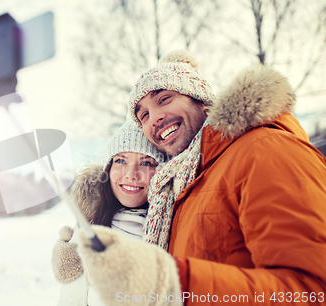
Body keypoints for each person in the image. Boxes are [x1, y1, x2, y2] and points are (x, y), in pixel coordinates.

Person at [76, 50, 326, 306]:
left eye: (164, 99)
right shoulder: (183, 185)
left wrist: (175, 282)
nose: (155, 119)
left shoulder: (265, 150)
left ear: (201, 99)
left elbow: (312, 291)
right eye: (144, 116)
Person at [53, 119, 164, 306]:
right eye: (121, 161)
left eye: (146, 163)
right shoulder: (88, 229)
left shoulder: (176, 228)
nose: (131, 174)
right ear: (108, 169)